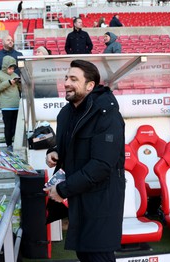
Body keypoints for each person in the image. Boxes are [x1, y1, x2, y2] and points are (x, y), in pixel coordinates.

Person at [44, 60, 125, 262]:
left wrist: (63, 190)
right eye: (66, 78)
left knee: (98, 256)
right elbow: (68, 145)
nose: (67, 83)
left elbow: (102, 165)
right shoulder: (67, 113)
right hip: (79, 199)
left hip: (100, 203)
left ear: (90, 86)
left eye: (73, 79)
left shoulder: (107, 114)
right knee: (85, 254)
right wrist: (54, 151)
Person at [0, 55, 21, 152]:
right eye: (10, 68)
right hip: (6, 106)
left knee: (16, 126)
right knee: (8, 126)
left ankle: (15, 142)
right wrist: (9, 82)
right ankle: (9, 144)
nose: (12, 70)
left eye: (13, 68)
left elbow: (21, 90)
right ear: (5, 66)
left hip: (16, 104)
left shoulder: (15, 75)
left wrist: (20, 84)